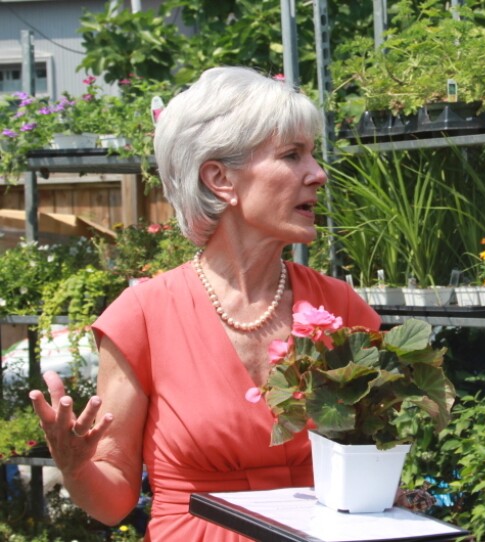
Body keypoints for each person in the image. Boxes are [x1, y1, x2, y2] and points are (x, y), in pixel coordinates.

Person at [28, 66, 382, 541]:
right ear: (220, 178)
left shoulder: (342, 308)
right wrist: (74, 466)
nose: (318, 174)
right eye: (292, 155)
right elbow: (112, 503)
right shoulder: (143, 316)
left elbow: (377, 462)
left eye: (312, 156)